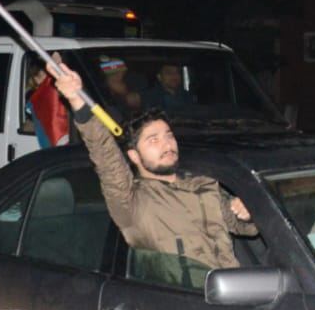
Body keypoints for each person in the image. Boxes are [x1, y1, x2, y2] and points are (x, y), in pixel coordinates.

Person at [47, 56, 256, 271]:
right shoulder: (132, 201)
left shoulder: (205, 185)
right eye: (153, 140)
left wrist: (248, 211)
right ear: (134, 156)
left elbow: (244, 226)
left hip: (235, 291)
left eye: (169, 135)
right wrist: (76, 99)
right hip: (183, 299)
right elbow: (105, 155)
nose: (166, 144)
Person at [97, 55, 145, 124]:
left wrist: (125, 93)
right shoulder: (100, 95)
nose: (118, 76)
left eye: (120, 73)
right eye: (112, 75)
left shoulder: (132, 85)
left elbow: (138, 110)